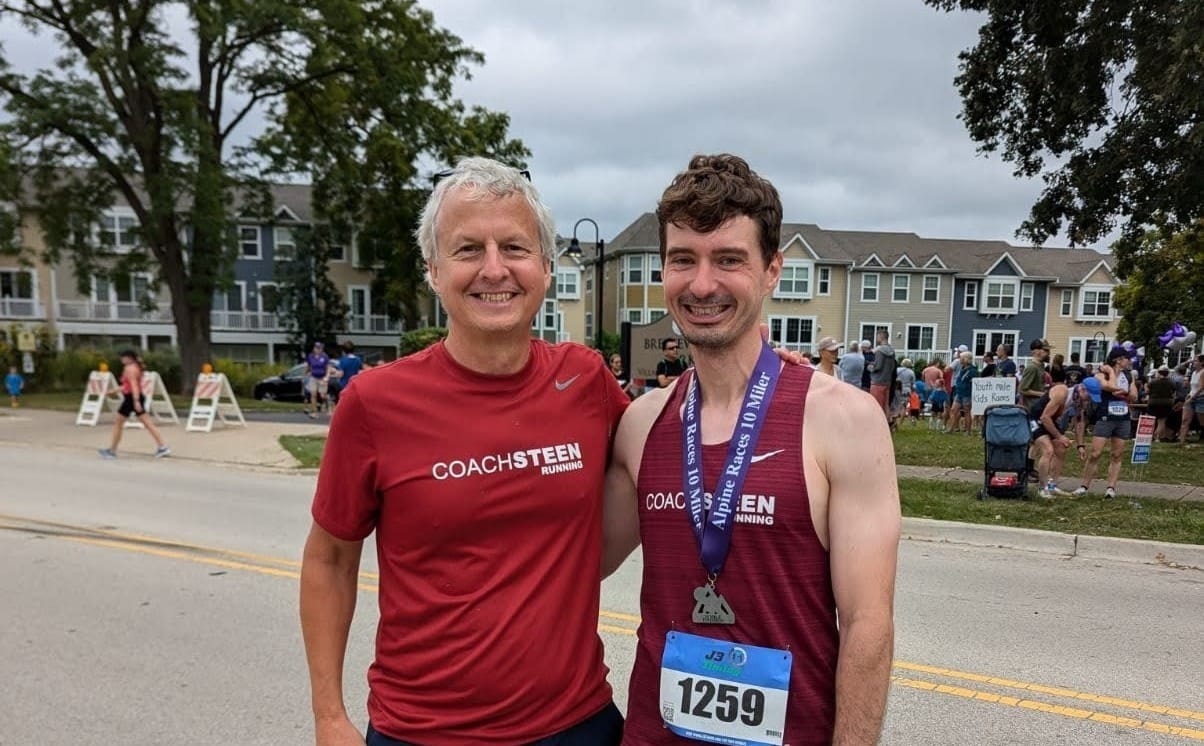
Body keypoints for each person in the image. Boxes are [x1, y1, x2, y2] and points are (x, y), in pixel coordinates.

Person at [299, 157, 628, 746]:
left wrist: (757, 377)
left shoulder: (586, 380)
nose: (495, 269)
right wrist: (329, 715)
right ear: (433, 269)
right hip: (425, 732)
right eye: (468, 249)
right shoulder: (375, 403)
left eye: (515, 248)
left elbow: (675, 444)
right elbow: (329, 561)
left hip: (578, 724)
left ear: (547, 268)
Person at [602, 154, 900, 745]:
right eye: (683, 259)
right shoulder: (640, 424)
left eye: (729, 260)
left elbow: (868, 626)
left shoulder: (843, 420)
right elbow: (573, 565)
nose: (703, 283)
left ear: (771, 272)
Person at [1074, 347, 1137, 498]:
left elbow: (1133, 396)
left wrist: (1124, 393)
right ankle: (1084, 485)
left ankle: (1111, 487)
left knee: (1117, 454)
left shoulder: (1129, 376)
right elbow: (1108, 386)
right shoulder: (1101, 373)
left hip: (1122, 417)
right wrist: (1110, 374)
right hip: (1105, 415)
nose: (1129, 361)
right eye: (1127, 358)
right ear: (1118, 359)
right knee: (1096, 453)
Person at [97, 349, 170, 460]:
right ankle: (162, 446)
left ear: (129, 358)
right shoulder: (136, 367)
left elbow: (134, 385)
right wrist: (114, 391)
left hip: (131, 398)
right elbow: (128, 386)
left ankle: (112, 450)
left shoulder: (129, 369)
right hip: (135, 397)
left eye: (123, 357)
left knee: (119, 423)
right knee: (147, 423)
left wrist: (135, 401)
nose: (121, 359)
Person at [1029, 366, 1073, 498]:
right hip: (1037, 418)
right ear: (1081, 390)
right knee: (1048, 450)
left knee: (1060, 449)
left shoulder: (1077, 400)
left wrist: (1080, 445)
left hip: (1048, 418)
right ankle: (1042, 488)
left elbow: (1079, 422)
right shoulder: (1061, 392)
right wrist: (1059, 436)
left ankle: (1052, 485)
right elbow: (1044, 417)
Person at [947, 351, 978, 435]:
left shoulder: (972, 370)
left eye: (961, 358)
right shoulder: (962, 368)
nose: (959, 359)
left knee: (967, 411)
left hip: (967, 393)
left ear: (966, 359)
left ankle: (968, 431)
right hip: (959, 392)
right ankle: (951, 429)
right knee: (953, 410)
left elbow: (974, 382)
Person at [868, 329, 897, 417]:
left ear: (880, 336)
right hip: (887, 381)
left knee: (876, 406)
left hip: (877, 382)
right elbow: (892, 367)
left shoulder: (880, 350)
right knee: (885, 406)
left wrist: (869, 367)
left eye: (877, 336)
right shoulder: (892, 350)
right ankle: (886, 424)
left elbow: (878, 366)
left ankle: (876, 426)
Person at [1179, 354, 1204, 444]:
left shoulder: (1203, 372)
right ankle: (1181, 441)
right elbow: (1193, 387)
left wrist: (1192, 397)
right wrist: (1189, 395)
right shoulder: (1193, 373)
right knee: (1185, 420)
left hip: (1201, 398)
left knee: (1201, 421)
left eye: (1196, 360)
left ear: (1202, 362)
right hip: (1191, 397)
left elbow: (1201, 387)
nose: (1194, 362)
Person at [1020, 339, 1050, 410]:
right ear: (1036, 352)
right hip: (1032, 408)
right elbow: (1023, 389)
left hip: (1039, 406)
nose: (1048, 353)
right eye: (1046, 350)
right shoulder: (1032, 368)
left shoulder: (1041, 366)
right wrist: (1042, 394)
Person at [305, 341, 331, 418]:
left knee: (322, 395)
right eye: (316, 348)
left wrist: (327, 376)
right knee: (313, 395)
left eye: (319, 348)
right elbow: (308, 366)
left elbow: (328, 367)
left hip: (322, 377)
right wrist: (306, 373)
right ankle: (314, 412)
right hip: (313, 377)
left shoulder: (325, 356)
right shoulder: (310, 356)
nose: (318, 349)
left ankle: (328, 406)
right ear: (314, 348)